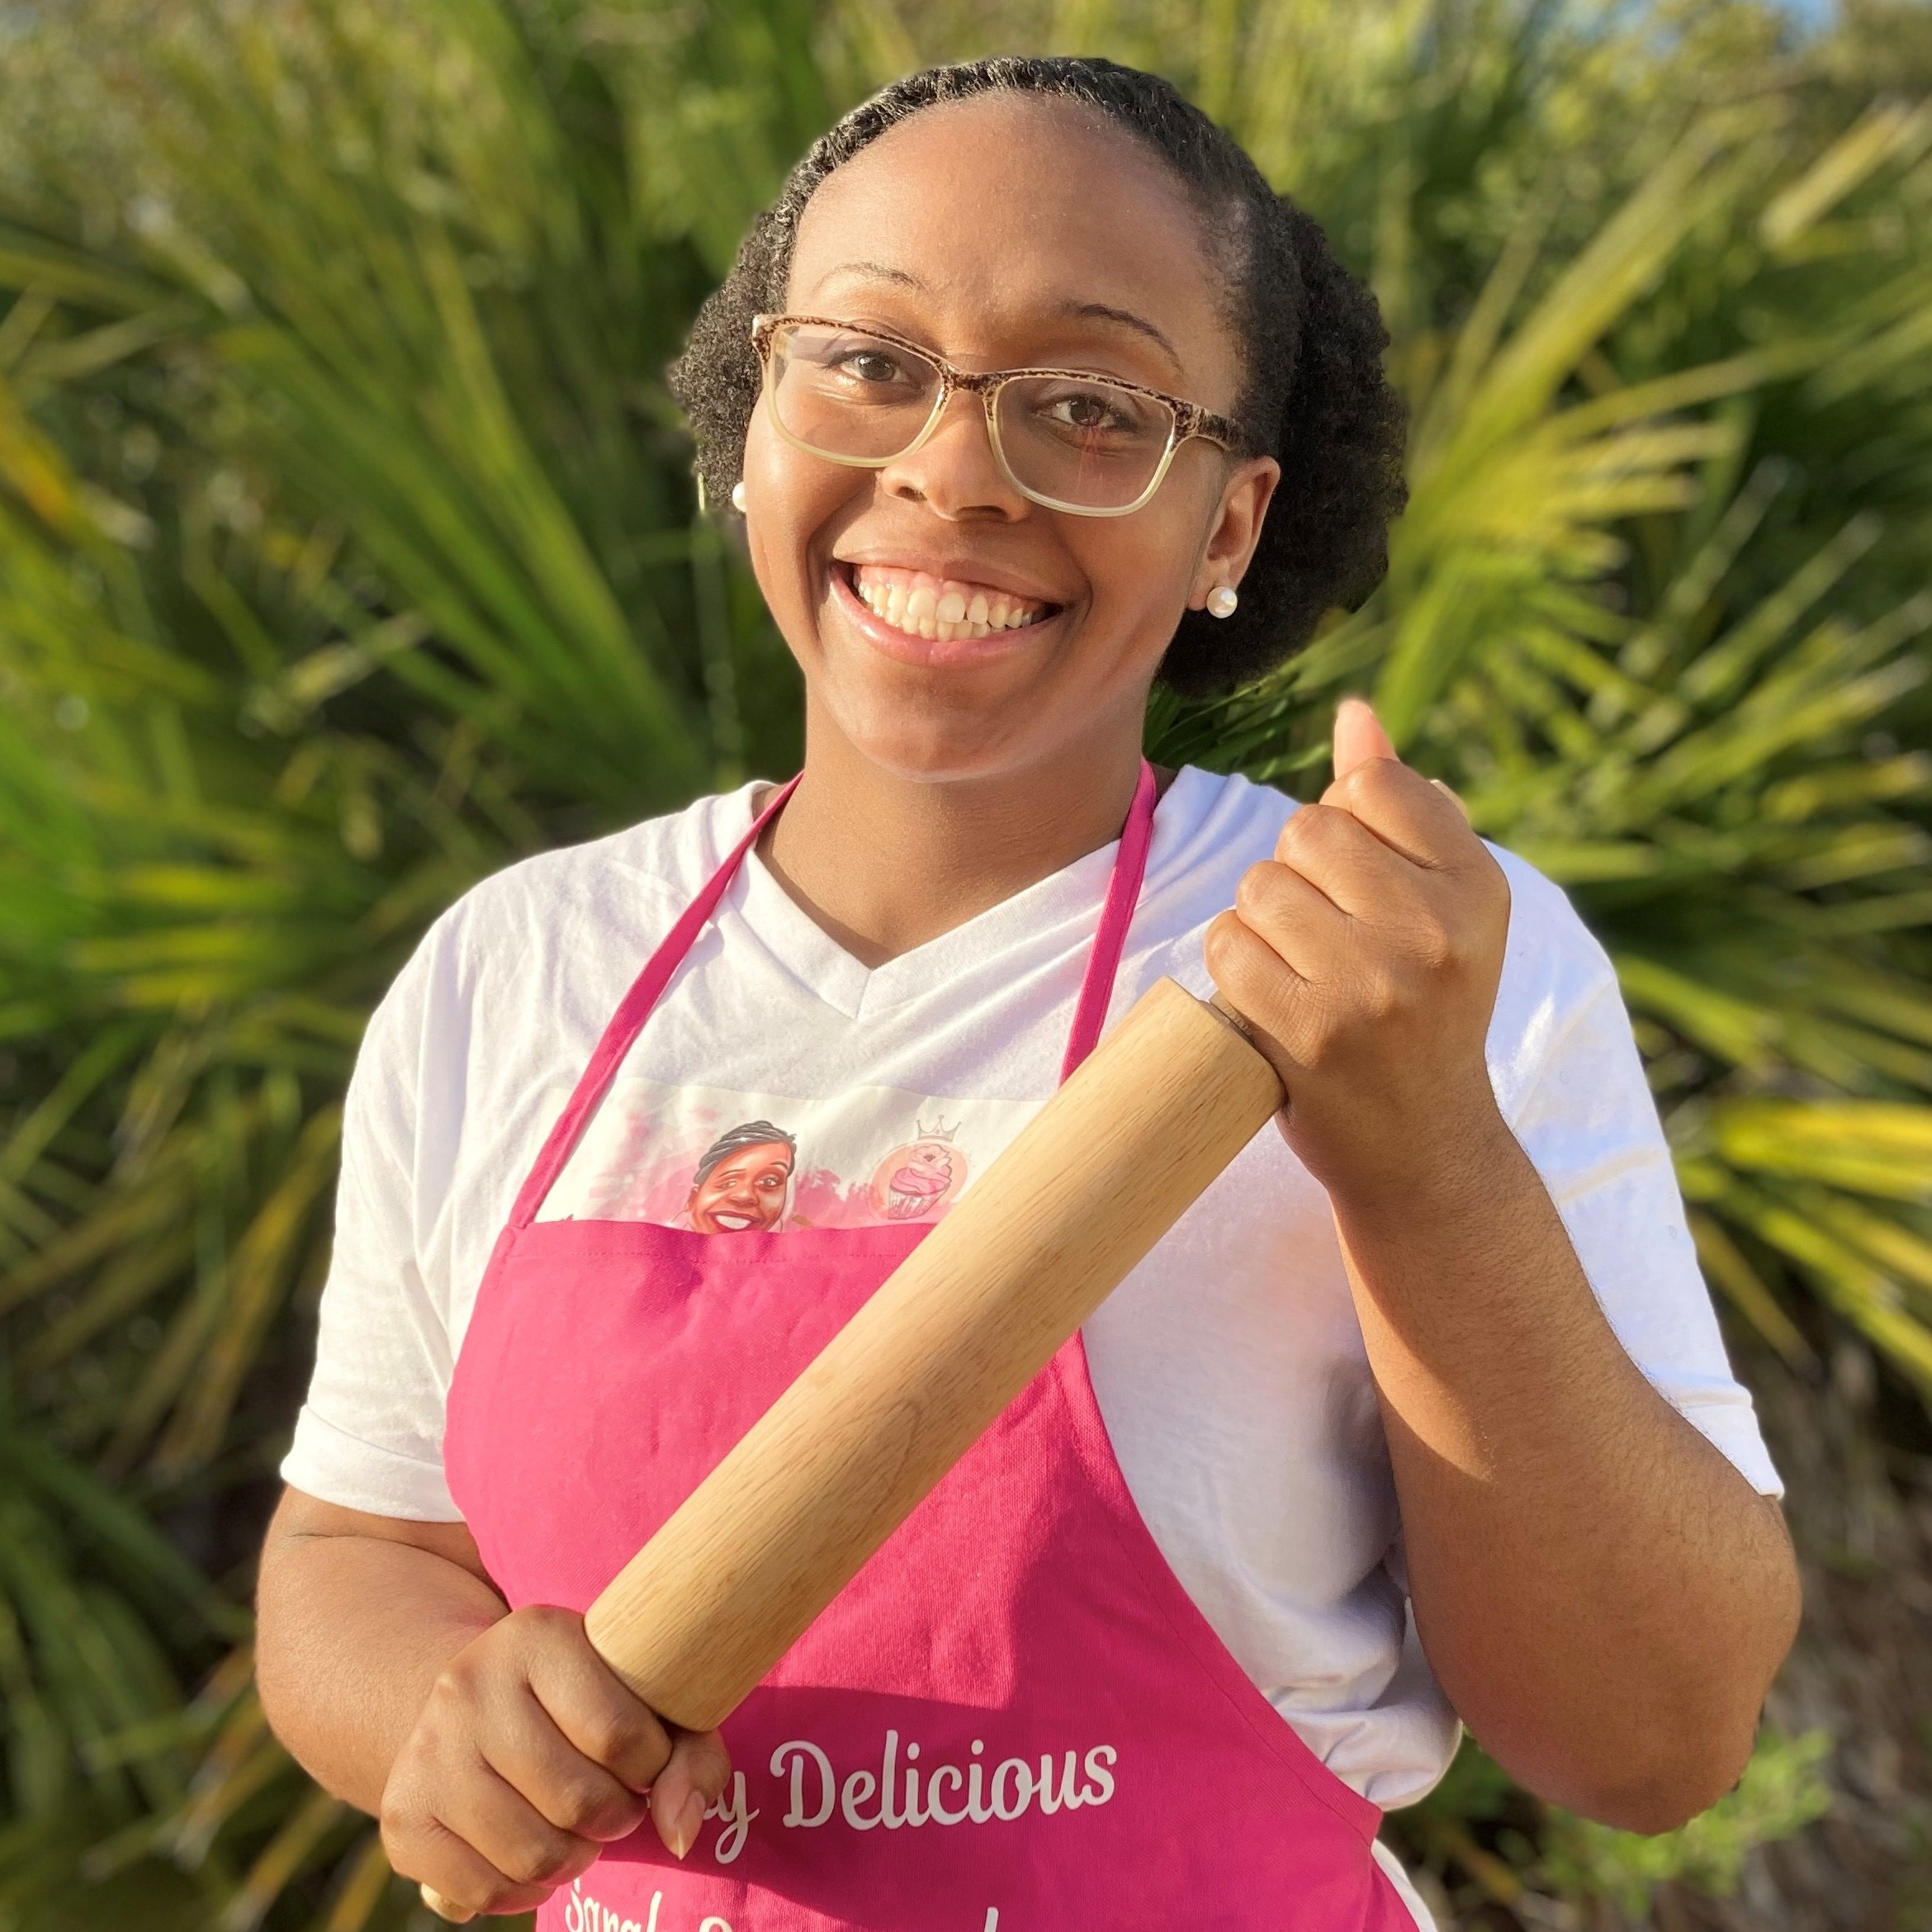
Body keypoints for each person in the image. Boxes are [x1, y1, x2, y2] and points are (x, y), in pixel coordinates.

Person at [255, 55, 1800, 1931]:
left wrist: (1427, 1160)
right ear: (751, 419)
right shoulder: (516, 970)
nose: (949, 469)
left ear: (1227, 525)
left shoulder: (1380, 963)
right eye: (868, 361)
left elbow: (1653, 1744)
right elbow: (359, 1544)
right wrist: (444, 1710)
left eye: (1090, 403)